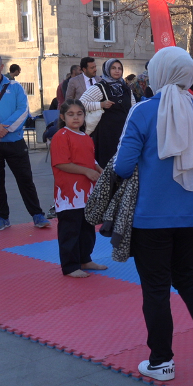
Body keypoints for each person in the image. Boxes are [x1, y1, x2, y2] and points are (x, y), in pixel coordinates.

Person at [113, 46, 193, 381]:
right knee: (187, 276)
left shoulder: (142, 112)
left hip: (151, 216)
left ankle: (161, 360)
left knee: (155, 288)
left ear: (162, 73)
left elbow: (122, 166)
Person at [51, 99, 106, 277]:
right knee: (70, 230)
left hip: (86, 193)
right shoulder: (61, 136)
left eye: (79, 114)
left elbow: (90, 159)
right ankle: (70, 266)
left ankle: (85, 258)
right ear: (62, 117)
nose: (76, 118)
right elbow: (61, 163)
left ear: (84, 116)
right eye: (71, 114)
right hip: (69, 194)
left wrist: (99, 170)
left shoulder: (86, 137)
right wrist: (87, 172)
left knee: (87, 228)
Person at [0, 55, 50, 230]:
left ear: (1, 66)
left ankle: (37, 215)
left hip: (15, 142)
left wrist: (5, 128)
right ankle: (2, 217)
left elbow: (23, 110)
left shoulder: (15, 87)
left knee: (25, 180)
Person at [79, 58, 136, 168]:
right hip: (106, 136)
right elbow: (80, 103)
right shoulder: (100, 87)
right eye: (113, 68)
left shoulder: (126, 89)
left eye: (119, 68)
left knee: (122, 164)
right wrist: (100, 105)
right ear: (107, 70)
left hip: (124, 134)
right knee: (106, 165)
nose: (117, 71)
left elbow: (134, 107)